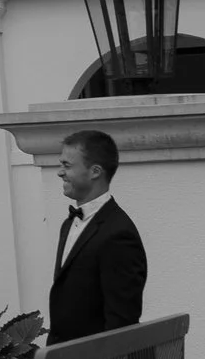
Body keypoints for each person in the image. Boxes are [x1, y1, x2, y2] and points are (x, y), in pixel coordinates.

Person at [48, 128, 149, 343]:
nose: (59, 172)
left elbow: (121, 322)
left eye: (67, 165)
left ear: (95, 171)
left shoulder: (118, 234)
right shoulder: (69, 224)